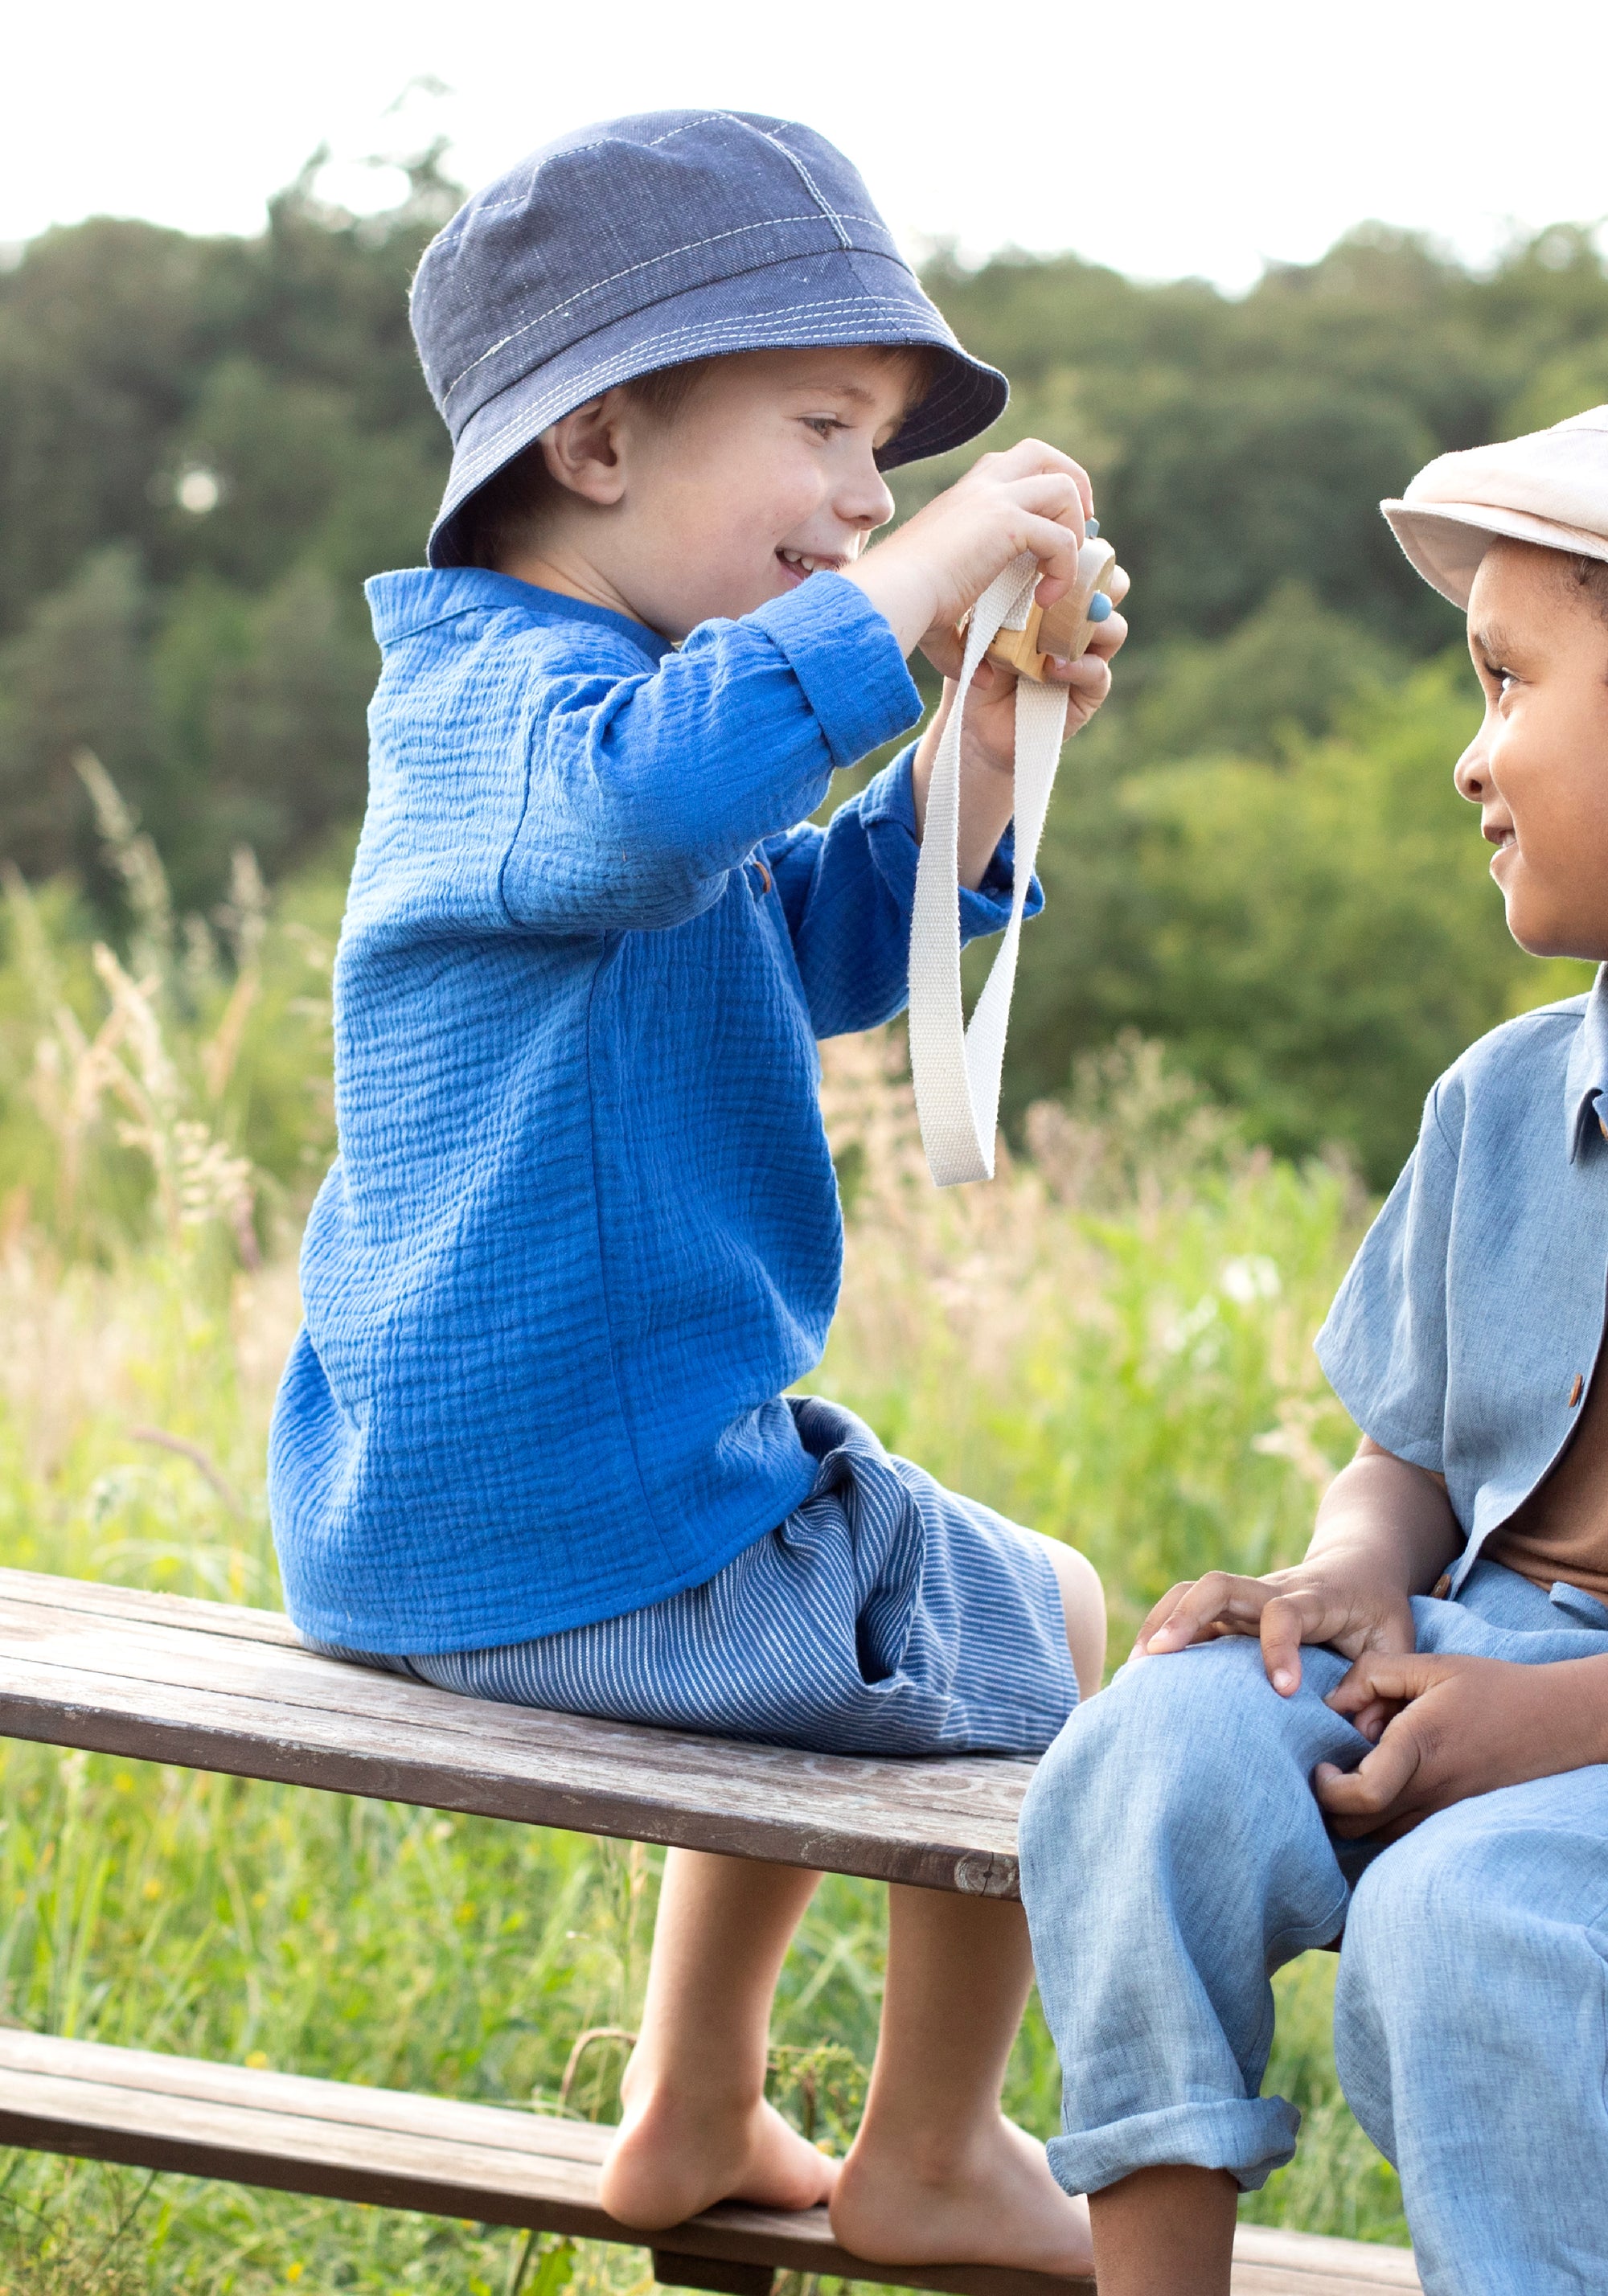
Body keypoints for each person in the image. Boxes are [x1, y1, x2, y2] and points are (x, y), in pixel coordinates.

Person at [265, 113, 1119, 2276]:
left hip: (524, 1501)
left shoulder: (611, 715)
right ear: (601, 437)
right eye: (827, 431)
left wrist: (982, 754)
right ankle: (937, 2149)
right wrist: (917, 594)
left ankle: (695, 2110)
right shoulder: (508, 712)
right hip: (568, 1518)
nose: (870, 500)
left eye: (892, 464)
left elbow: (809, 941)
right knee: (1060, 1619)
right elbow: (656, 825)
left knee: (835, 1533)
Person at [1019, 406, 1608, 2296]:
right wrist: (1351, 1574)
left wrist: (1554, 1730)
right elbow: (1409, 1449)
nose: (1467, 757)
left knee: (1469, 1910)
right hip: (1466, 1641)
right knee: (1151, 1754)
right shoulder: (1507, 1102)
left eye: (1508, 682)